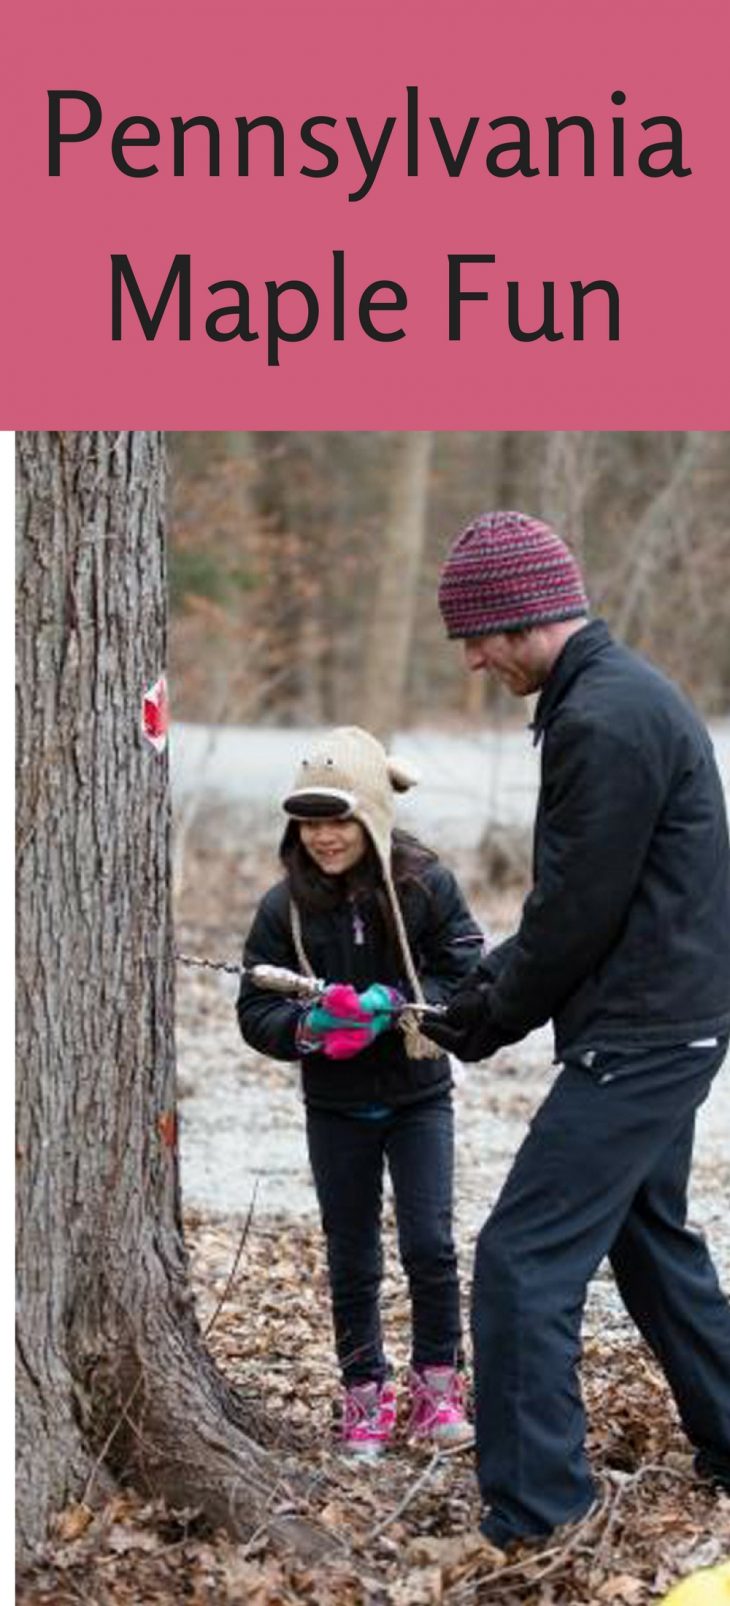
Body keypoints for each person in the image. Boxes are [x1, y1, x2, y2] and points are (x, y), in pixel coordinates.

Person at [427, 510, 730, 1551]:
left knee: (520, 1262)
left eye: (478, 634)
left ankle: (536, 1512)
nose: (472, 658)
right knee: (648, 1240)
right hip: (667, 1022)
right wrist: (489, 990)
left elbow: (572, 911)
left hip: (641, 1036)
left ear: (523, 619)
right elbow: (582, 904)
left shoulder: (600, 717)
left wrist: (486, 1013)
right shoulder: (610, 697)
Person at [236, 725, 483, 1457]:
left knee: (430, 1244)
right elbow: (256, 1007)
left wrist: (397, 1004)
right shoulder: (284, 908)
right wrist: (310, 1028)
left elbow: (466, 970)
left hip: (418, 1097)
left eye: (338, 818)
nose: (323, 836)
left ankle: (439, 1386)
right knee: (351, 1252)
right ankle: (363, 1394)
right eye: (310, 822)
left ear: (372, 814)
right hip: (336, 1106)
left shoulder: (425, 887)